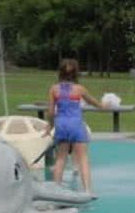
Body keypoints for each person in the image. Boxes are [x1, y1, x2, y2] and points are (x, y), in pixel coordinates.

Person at [43, 59, 104, 194]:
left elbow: (51, 112)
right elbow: (94, 102)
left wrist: (50, 126)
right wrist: (104, 105)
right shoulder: (79, 89)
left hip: (61, 125)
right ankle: (88, 190)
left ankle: (56, 191)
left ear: (60, 73)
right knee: (83, 158)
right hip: (76, 125)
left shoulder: (54, 89)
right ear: (76, 73)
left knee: (60, 158)